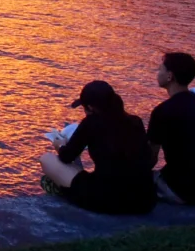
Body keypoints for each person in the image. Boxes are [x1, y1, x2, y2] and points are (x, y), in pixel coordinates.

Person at [40, 82, 156, 214]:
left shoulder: (91, 123)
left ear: (90, 107)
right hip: (144, 200)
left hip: (109, 200)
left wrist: (59, 145)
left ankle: (59, 188)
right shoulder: (135, 121)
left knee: (46, 159)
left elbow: (66, 157)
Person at [149, 53, 195, 208]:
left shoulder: (162, 112)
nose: (157, 73)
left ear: (170, 76)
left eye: (160, 69)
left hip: (182, 190)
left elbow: (150, 159)